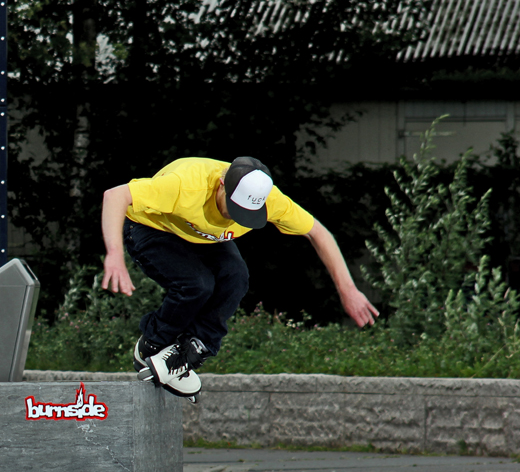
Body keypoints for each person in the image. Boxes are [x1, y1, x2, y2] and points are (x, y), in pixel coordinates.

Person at [100, 156, 378, 401]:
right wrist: (114, 254)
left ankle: (192, 348)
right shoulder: (186, 185)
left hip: (202, 237)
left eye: (245, 215)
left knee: (236, 277)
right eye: (232, 209)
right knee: (196, 285)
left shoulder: (271, 201)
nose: (234, 218)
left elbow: (318, 233)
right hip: (151, 227)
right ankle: (152, 344)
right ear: (222, 184)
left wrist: (348, 290)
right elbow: (115, 196)